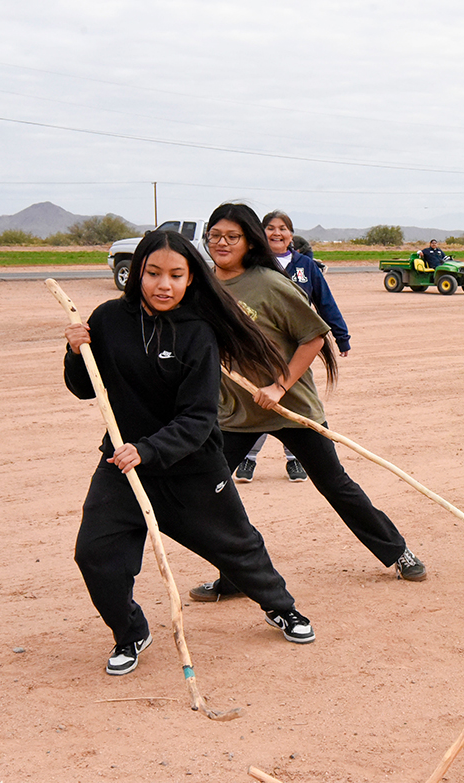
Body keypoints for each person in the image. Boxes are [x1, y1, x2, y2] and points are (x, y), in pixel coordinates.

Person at [64, 230, 316, 676]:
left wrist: (149, 449)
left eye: (176, 275)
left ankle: (281, 607)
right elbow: (86, 389)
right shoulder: (107, 320)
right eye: (154, 273)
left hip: (190, 466)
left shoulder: (198, 332)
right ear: (137, 273)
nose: (165, 285)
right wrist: (74, 351)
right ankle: (130, 632)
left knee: (236, 546)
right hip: (121, 464)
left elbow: (199, 418)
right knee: (94, 554)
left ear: (190, 279)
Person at [188, 203, 427, 603]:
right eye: (215, 235)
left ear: (250, 241)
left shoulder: (269, 282)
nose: (222, 243)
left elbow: (313, 337)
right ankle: (237, 576)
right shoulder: (204, 285)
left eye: (232, 236)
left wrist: (279, 387)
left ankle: (397, 552)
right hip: (236, 410)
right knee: (211, 493)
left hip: (290, 407)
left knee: (335, 485)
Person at [233, 210, 353, 484]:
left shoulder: (306, 267)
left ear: (291, 235)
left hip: (297, 348)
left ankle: (294, 459)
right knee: (260, 400)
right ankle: (248, 459)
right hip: (258, 350)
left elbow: (325, 303)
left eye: (283, 228)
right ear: (260, 234)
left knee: (294, 401)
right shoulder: (252, 265)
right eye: (271, 228)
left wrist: (341, 336)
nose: (277, 233)